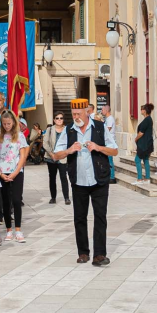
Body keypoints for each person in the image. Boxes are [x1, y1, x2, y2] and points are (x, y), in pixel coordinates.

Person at [51, 98, 118, 266]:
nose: (76, 117)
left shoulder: (100, 127)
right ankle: (83, 253)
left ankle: (99, 255)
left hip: (99, 179)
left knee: (100, 217)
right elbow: (55, 155)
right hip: (78, 181)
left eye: (79, 113)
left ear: (87, 112)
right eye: (73, 114)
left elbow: (114, 150)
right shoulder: (68, 130)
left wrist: (98, 147)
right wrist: (69, 150)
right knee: (79, 217)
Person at [0, 110, 29, 243]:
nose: (7, 126)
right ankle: (9, 229)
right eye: (4, 124)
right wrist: (1, 173)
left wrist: (16, 172)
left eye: (9, 123)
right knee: (5, 202)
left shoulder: (20, 136)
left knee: (16, 200)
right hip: (3, 172)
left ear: (13, 122)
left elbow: (22, 156)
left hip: (16, 172)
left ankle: (18, 230)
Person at [43, 112, 71, 205]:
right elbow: (45, 143)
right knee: (52, 177)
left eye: (61, 118)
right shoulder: (50, 129)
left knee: (63, 177)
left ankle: (66, 198)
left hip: (62, 157)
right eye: (57, 118)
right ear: (54, 120)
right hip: (51, 157)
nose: (59, 120)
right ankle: (53, 197)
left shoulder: (67, 129)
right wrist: (51, 154)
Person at [134, 103, 155, 183]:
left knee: (137, 159)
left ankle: (139, 178)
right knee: (146, 159)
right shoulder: (148, 119)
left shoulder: (147, 120)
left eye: (142, 109)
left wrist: (136, 139)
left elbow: (141, 132)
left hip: (144, 144)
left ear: (145, 111)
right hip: (147, 143)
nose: (141, 111)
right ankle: (147, 177)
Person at [101, 103, 117, 183]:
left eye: (102, 110)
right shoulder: (107, 119)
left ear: (106, 110)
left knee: (110, 160)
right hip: (107, 142)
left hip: (110, 143)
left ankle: (112, 177)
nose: (101, 111)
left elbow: (108, 129)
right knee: (107, 160)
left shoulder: (110, 119)